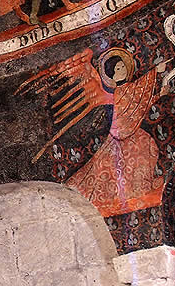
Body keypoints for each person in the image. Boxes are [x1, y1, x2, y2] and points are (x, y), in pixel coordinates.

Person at [67, 48, 167, 214]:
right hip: (121, 134)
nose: (123, 71)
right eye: (118, 69)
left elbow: (138, 107)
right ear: (112, 75)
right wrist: (156, 71)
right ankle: (130, 192)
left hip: (131, 132)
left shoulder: (128, 89)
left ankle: (139, 188)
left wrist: (159, 95)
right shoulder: (121, 91)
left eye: (123, 67)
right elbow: (137, 91)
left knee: (147, 145)